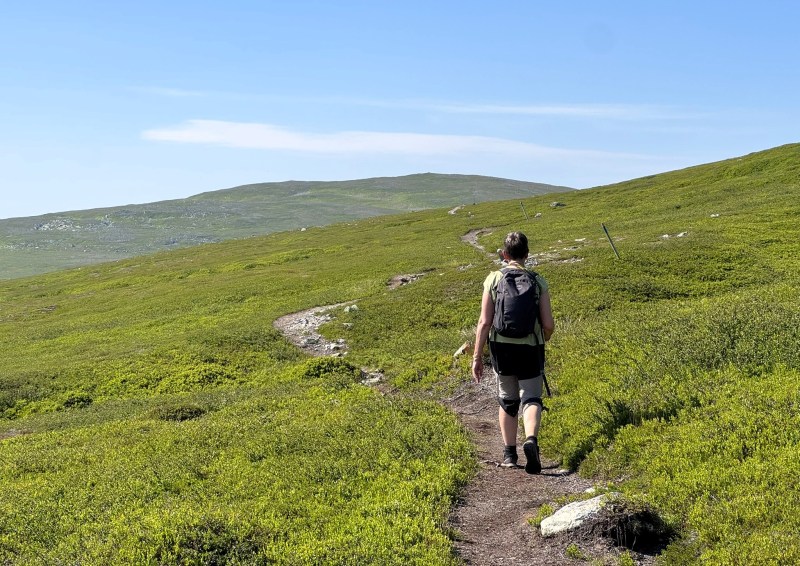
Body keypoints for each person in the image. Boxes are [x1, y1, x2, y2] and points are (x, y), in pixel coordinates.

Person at [472, 231, 554, 473]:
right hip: (531, 347)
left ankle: (509, 454)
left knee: (508, 399)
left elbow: (484, 322)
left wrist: (477, 356)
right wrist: (542, 338)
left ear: (504, 254)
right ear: (527, 254)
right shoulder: (538, 281)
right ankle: (531, 440)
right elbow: (548, 324)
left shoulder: (493, 279)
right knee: (531, 397)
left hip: (502, 348)